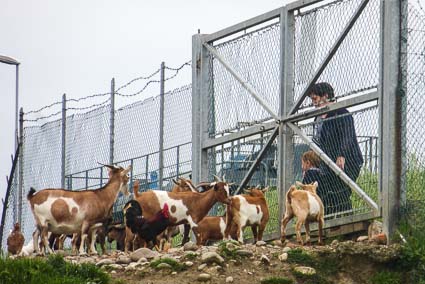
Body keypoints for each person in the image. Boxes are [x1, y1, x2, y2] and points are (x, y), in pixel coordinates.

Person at [309, 82, 363, 215]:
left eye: (315, 99)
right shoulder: (317, 119)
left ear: (325, 96)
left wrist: (341, 155)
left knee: (341, 191)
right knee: (328, 193)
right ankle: (330, 223)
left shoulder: (341, 112)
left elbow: (347, 136)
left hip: (348, 160)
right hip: (327, 163)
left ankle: (346, 220)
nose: (313, 103)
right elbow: (317, 141)